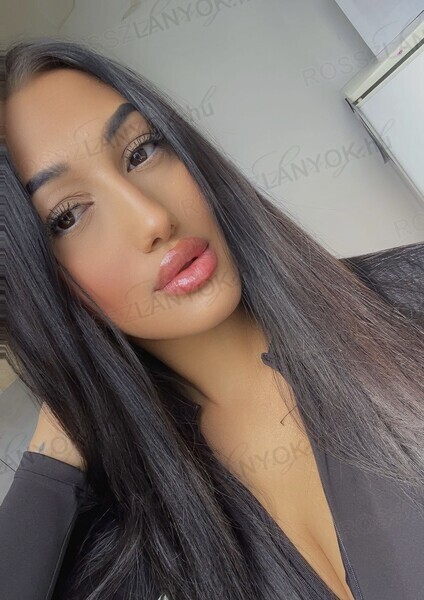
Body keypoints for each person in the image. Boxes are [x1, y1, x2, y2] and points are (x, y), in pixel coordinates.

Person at [1, 37, 424, 600]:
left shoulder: (409, 299)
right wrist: (54, 449)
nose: (153, 218)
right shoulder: (126, 543)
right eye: (67, 216)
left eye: (140, 152)